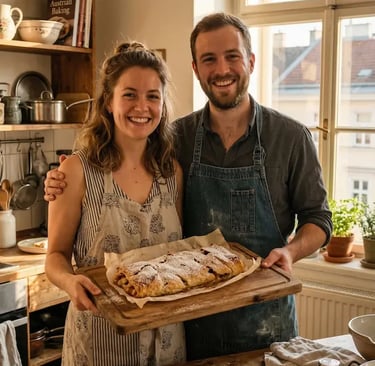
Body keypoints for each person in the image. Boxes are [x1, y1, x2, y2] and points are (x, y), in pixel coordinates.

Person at [44, 12, 332, 362]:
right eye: (209, 59)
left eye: (232, 56)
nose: (222, 69)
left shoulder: (289, 138)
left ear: (251, 62)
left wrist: (290, 252)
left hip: (265, 320)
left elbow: (319, 219)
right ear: (195, 68)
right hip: (189, 327)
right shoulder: (176, 141)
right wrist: (61, 177)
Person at [45, 41, 186, 365]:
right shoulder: (77, 171)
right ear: (108, 102)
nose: (142, 106)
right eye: (130, 94)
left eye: (153, 96)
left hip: (166, 342)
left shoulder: (171, 172)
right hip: (99, 339)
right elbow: (55, 256)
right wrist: (70, 281)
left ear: (163, 104)